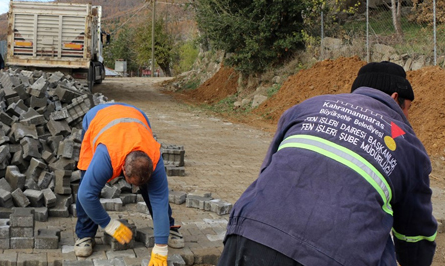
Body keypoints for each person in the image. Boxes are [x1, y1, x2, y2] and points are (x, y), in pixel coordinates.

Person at [218, 61, 437, 266]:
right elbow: (414, 233)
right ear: (395, 97)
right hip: (335, 255)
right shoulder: (408, 143)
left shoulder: (307, 106)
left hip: (249, 233)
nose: (406, 117)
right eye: (407, 108)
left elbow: (267, 172)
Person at [74, 102, 184, 266]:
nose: (132, 188)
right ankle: (85, 234)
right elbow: (85, 194)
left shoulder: (154, 157)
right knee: (88, 182)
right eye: (129, 182)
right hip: (97, 118)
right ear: (122, 169)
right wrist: (109, 224)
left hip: (136, 116)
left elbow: (160, 199)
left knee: (153, 189)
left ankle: (167, 227)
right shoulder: (106, 157)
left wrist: (161, 248)